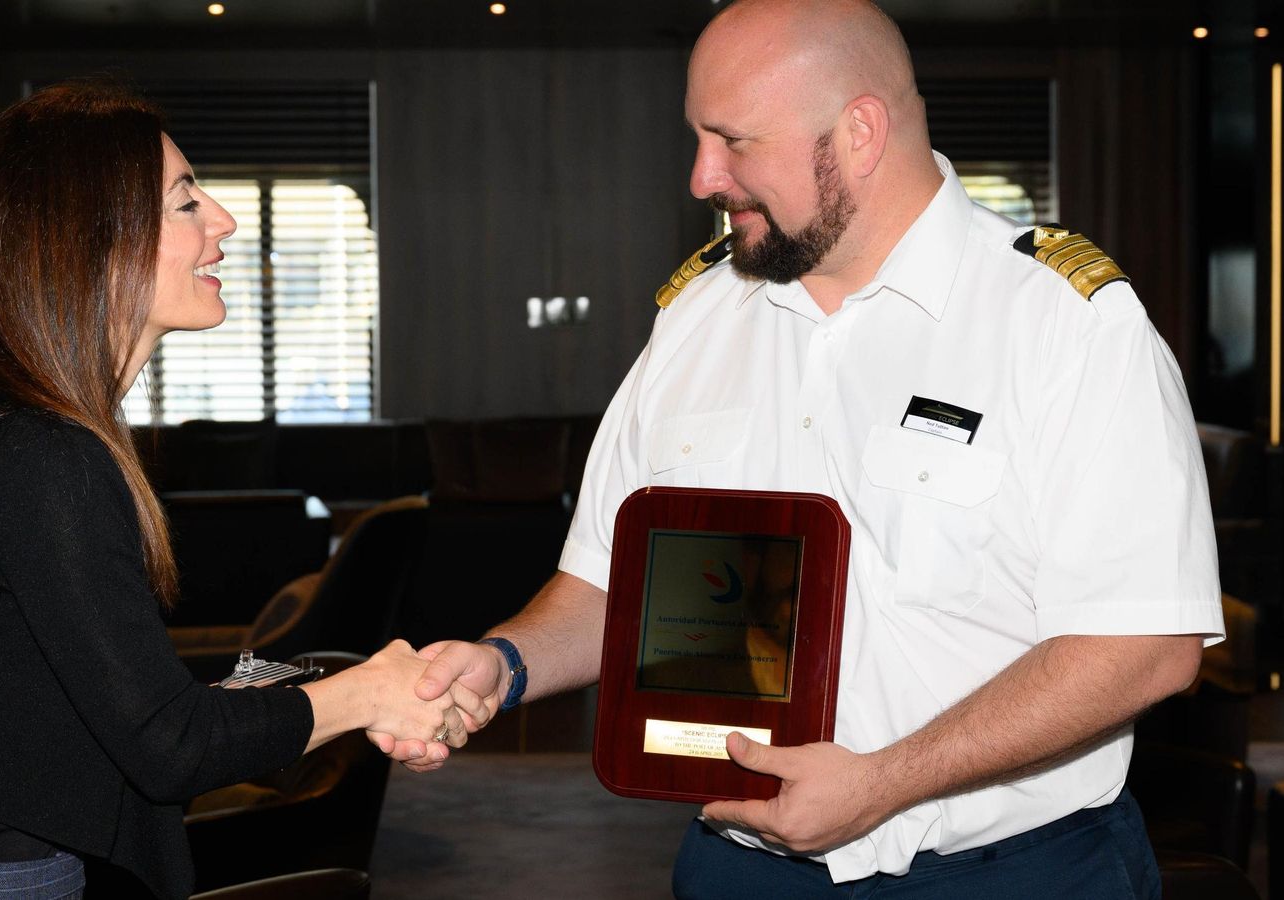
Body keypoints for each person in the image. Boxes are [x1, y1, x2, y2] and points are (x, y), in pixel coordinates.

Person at [376, 1, 1226, 896]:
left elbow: (1145, 642)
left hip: (1013, 872)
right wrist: (504, 662)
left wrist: (882, 783)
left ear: (859, 131)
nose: (703, 176)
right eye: (698, 138)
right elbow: (611, 581)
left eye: (734, 140)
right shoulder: (696, 317)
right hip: (740, 867)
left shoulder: (1063, 324)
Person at [0, 81, 463, 900]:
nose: (223, 221)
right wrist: (370, 692)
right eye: (185, 200)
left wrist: (309, 689)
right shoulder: (42, 455)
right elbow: (170, 749)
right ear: (86, 242)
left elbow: (82, 712)